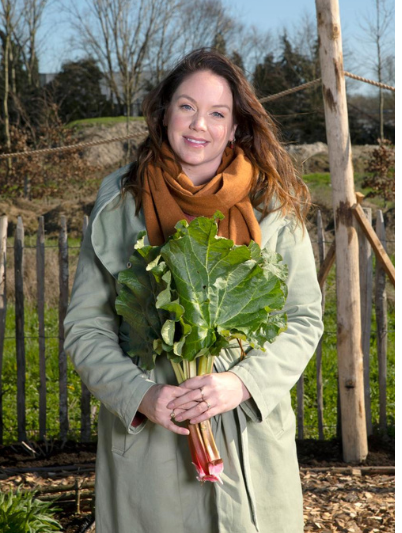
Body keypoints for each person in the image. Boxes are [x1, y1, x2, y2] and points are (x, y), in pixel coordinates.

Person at [64, 49, 323, 533]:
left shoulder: (272, 207)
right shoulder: (121, 205)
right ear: (164, 113)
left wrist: (243, 384)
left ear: (235, 126)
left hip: (247, 443)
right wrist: (141, 394)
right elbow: (85, 328)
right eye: (186, 106)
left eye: (217, 113)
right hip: (152, 452)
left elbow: (303, 319)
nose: (198, 124)